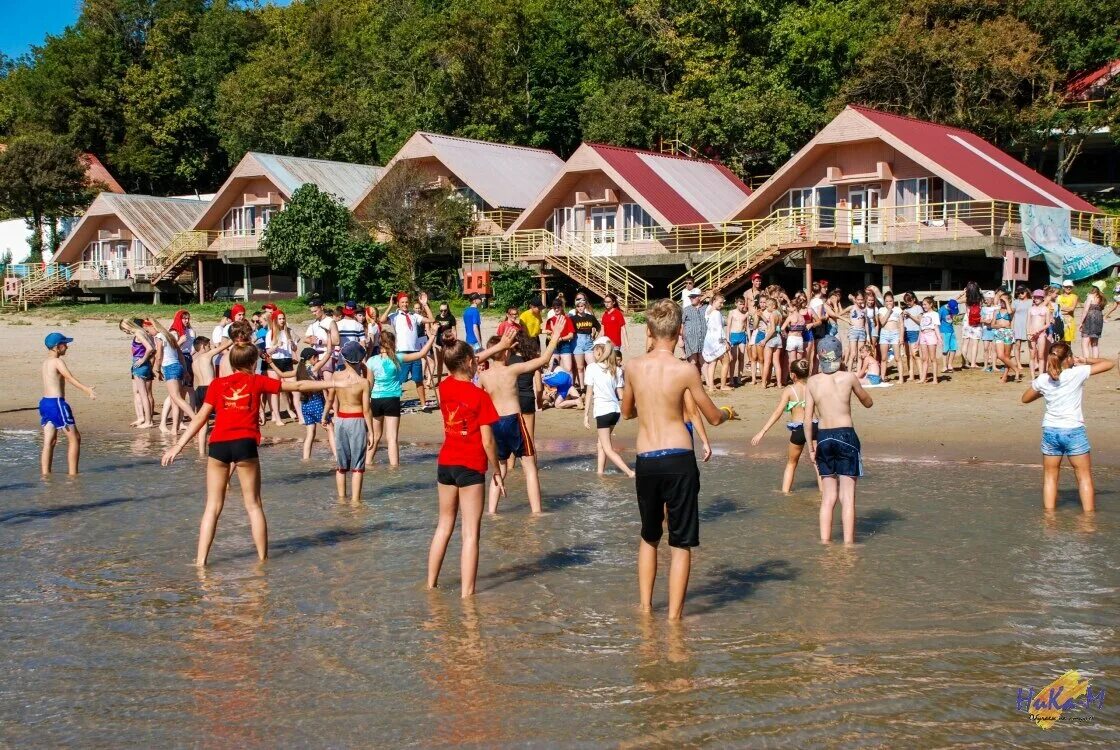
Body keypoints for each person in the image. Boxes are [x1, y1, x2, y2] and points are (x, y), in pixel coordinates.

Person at [161, 341, 332, 565]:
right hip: (245, 444)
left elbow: (200, 418)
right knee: (253, 505)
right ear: (254, 362)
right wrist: (335, 384)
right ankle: (262, 561)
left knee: (212, 507)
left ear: (232, 362)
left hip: (219, 445)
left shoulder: (217, 384)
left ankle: (201, 562)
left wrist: (178, 446)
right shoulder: (258, 380)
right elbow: (298, 386)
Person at [621, 299, 737, 621]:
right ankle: (673, 620)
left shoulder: (633, 366)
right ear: (681, 331)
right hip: (679, 458)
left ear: (649, 330)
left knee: (649, 536)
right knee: (681, 541)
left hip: (647, 457)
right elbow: (712, 417)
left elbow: (626, 412)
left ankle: (645, 611)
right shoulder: (686, 370)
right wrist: (728, 413)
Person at [427, 340, 505, 597]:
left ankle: (430, 585)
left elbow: (459, 361)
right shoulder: (480, 396)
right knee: (470, 534)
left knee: (444, 526)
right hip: (470, 466)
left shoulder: (444, 386)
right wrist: (497, 470)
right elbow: (488, 441)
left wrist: (496, 347)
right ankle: (467, 596)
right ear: (471, 362)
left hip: (446, 463)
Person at [480, 318, 563, 514]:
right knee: (530, 468)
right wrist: (555, 336)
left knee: (500, 469)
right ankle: (536, 512)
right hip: (514, 421)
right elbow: (542, 361)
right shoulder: (512, 370)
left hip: (494, 424)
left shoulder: (483, 376)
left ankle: (491, 512)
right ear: (507, 352)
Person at [1021, 342, 1113, 512]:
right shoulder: (1076, 373)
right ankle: (1088, 520)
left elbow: (1025, 398)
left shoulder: (1043, 379)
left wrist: (1045, 392)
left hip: (1051, 430)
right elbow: (1110, 363)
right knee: (1084, 477)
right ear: (1069, 358)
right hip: (1073, 430)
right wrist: (1085, 359)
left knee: (1050, 477)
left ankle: (1049, 518)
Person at [805, 336, 873, 544]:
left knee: (828, 497)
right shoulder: (849, 377)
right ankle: (848, 546)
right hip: (846, 435)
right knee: (848, 497)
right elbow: (867, 402)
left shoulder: (812, 381)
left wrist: (811, 446)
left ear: (818, 356)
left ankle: (825, 542)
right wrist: (864, 396)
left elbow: (808, 419)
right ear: (841, 355)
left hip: (823, 437)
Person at [364, 329, 436, 467]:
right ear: (393, 343)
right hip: (392, 400)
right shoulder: (397, 358)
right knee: (392, 438)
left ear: (380, 344)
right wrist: (432, 336)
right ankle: (394, 469)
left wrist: (366, 402)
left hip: (376, 400)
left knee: (375, 436)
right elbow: (422, 353)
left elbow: (369, 384)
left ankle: (367, 464)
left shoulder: (371, 361)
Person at [751, 358, 820, 494]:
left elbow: (778, 412)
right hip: (814, 425)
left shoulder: (790, 390)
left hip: (799, 428)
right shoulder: (813, 387)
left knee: (792, 463)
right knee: (818, 462)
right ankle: (823, 494)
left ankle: (785, 493)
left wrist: (762, 432)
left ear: (793, 375)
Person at [326, 342, 375, 505]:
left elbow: (330, 399)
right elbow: (367, 410)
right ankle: (355, 502)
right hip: (357, 421)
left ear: (344, 359)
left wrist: (324, 415)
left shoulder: (336, 376)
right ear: (361, 360)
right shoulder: (363, 383)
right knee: (358, 465)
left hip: (340, 420)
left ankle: (341, 501)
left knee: (341, 465)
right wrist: (372, 432)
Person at [40, 332, 96, 475]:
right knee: (75, 438)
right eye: (65, 344)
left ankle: (46, 475)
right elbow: (69, 378)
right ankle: (73, 475)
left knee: (49, 442)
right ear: (57, 347)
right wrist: (87, 389)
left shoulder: (45, 362)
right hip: (57, 403)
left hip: (45, 403)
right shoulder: (58, 362)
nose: (67, 347)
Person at [583, 337, 634, 478]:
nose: (593, 352)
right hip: (615, 412)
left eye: (594, 349)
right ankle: (600, 472)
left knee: (607, 447)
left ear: (599, 350)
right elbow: (621, 395)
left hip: (603, 412)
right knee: (601, 443)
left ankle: (630, 472)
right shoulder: (616, 370)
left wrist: (586, 415)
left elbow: (588, 393)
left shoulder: (592, 368)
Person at [381, 292, 435, 408]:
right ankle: (395, 403)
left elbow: (431, 319)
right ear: (398, 304)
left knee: (418, 379)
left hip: (415, 352)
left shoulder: (414, 316)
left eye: (406, 302)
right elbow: (382, 320)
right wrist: (390, 305)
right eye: (402, 302)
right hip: (401, 352)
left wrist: (425, 305)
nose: (405, 304)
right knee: (399, 380)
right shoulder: (394, 316)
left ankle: (423, 404)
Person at [266, 310, 299, 425]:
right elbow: (267, 352)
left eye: (283, 318)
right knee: (275, 391)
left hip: (287, 361)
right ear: (275, 320)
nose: (282, 321)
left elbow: (295, 349)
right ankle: (278, 417)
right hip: (274, 362)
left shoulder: (288, 332)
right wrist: (276, 346)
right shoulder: (270, 333)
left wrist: (293, 344)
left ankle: (300, 415)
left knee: (295, 388)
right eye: (280, 319)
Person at [121, 318, 155, 428]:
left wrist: (143, 359)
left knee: (143, 394)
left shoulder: (139, 334)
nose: (125, 331)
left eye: (124, 328)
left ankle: (148, 421)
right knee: (140, 393)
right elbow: (153, 348)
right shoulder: (143, 333)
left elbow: (150, 348)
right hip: (142, 365)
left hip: (140, 365)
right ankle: (142, 418)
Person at [303, 297, 340, 376]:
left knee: (328, 384)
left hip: (328, 356)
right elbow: (305, 339)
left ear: (322, 308)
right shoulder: (314, 324)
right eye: (312, 312)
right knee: (319, 383)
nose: (314, 314)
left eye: (315, 311)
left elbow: (337, 341)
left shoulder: (330, 322)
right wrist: (311, 340)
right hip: (315, 358)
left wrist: (320, 341)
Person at [569, 297, 599, 390]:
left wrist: (595, 336)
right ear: (576, 308)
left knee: (592, 366)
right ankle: (582, 387)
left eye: (582, 306)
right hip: (577, 342)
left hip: (588, 341)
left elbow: (599, 327)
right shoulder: (573, 318)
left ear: (585, 306)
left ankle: (593, 386)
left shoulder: (590, 317)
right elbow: (569, 330)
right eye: (578, 306)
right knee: (580, 367)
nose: (580, 308)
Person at [702, 294, 730, 391]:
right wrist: (725, 341)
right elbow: (719, 329)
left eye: (722, 303)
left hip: (709, 340)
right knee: (726, 361)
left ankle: (711, 387)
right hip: (717, 340)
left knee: (712, 362)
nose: (722, 305)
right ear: (714, 302)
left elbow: (710, 304)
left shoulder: (708, 310)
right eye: (720, 303)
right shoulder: (717, 313)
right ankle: (722, 385)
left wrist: (712, 296)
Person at [992, 290, 1019, 383]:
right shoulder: (996, 311)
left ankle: (1004, 377)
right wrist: (998, 326)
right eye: (1001, 301)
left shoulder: (1011, 310)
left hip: (1008, 333)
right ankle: (1016, 369)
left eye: (1004, 301)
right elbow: (992, 325)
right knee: (1000, 355)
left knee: (1007, 356)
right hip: (999, 332)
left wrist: (1006, 301)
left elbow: (1010, 312)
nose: (1002, 302)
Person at [876, 293, 903, 382]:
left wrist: (901, 337)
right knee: (884, 358)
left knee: (897, 357)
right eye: (886, 301)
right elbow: (882, 322)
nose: (889, 302)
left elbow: (901, 324)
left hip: (895, 333)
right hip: (884, 334)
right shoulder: (881, 310)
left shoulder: (898, 309)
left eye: (890, 301)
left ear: (893, 300)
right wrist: (889, 311)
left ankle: (901, 378)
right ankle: (883, 377)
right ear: (884, 302)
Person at [916, 296, 942, 385]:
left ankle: (935, 379)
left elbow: (936, 327)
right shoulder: (923, 315)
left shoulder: (935, 314)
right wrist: (918, 341)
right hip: (923, 335)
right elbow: (921, 328)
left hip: (931, 335)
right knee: (924, 358)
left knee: (933, 358)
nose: (924, 306)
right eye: (923, 304)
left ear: (931, 304)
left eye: (925, 304)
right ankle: (923, 378)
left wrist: (939, 338)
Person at [1027, 288, 1050, 379]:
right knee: (1032, 356)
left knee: (1041, 356)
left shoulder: (1046, 309)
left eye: (1038, 297)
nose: (1036, 299)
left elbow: (1047, 324)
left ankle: (1040, 376)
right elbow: (1028, 323)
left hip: (1041, 334)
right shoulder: (1031, 309)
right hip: (1032, 333)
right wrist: (1028, 333)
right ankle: (1033, 377)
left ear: (1042, 298)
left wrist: (1040, 329)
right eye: (1035, 297)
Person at [960, 281, 984, 369]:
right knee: (975, 343)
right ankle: (973, 363)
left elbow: (955, 301)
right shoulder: (980, 298)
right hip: (977, 320)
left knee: (965, 342)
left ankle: (964, 362)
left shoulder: (966, 298)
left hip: (967, 320)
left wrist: (963, 293)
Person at [681, 290, 706, 370]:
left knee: (703, 361)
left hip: (703, 340)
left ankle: (708, 382)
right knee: (693, 362)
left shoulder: (706, 309)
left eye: (693, 297)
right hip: (690, 341)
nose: (691, 298)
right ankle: (692, 380)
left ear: (699, 297)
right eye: (690, 297)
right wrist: (680, 339)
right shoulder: (686, 310)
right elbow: (681, 324)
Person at [434, 302, 457, 383]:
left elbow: (454, 331)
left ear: (448, 310)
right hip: (439, 343)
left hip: (448, 343)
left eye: (445, 310)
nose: (443, 312)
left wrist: (454, 342)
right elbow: (434, 331)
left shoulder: (451, 317)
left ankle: (450, 381)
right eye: (441, 310)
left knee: (448, 362)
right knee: (439, 362)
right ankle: (439, 381)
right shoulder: (437, 317)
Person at [1079, 286, 1105, 359]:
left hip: (1090, 318)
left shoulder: (1090, 296)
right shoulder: (1102, 298)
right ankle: (1096, 362)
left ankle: (1087, 362)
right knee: (1095, 343)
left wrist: (1081, 322)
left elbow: (1085, 310)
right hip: (1099, 318)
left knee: (1085, 342)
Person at [939, 299, 959, 373]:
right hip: (944, 332)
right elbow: (938, 321)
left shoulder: (953, 307)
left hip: (951, 330)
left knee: (954, 347)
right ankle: (944, 366)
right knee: (945, 349)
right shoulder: (942, 310)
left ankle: (950, 365)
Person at [1057, 280, 1079, 345]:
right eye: (1067, 287)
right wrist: (1066, 309)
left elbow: (1072, 309)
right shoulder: (1059, 297)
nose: (1068, 288)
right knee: (1059, 340)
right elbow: (1056, 309)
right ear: (1063, 287)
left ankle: (1068, 354)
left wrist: (1061, 308)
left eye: (1070, 287)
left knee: (1068, 341)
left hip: (1069, 321)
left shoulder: (1074, 297)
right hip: (1060, 321)